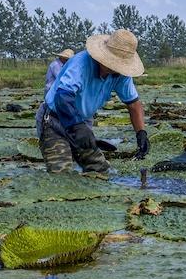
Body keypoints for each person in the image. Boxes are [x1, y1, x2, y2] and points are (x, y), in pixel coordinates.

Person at [40, 29, 150, 174]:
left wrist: (141, 133)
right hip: (56, 121)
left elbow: (133, 104)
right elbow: (62, 98)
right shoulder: (81, 63)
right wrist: (77, 126)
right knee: (61, 175)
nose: (116, 68)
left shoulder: (121, 75)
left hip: (83, 122)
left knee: (101, 171)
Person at [35, 49, 74, 136]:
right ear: (63, 58)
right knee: (46, 114)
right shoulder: (56, 65)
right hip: (51, 93)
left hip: (56, 94)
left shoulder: (63, 65)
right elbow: (62, 79)